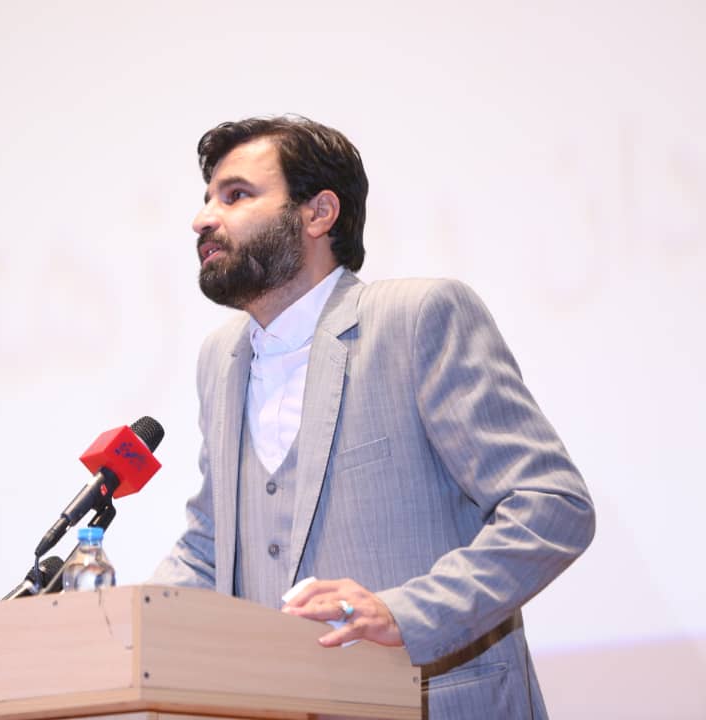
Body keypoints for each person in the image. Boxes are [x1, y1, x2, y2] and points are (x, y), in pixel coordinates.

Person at [151, 116, 595, 719]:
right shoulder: (219, 359)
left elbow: (551, 504)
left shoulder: (417, 318)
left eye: (235, 195)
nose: (203, 219)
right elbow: (212, 546)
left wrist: (405, 613)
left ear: (318, 213)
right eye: (207, 199)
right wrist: (120, 624)